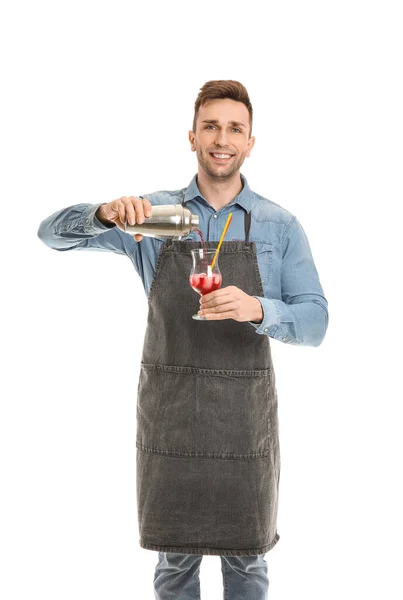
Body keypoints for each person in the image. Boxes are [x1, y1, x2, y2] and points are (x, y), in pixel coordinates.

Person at [38, 79, 329, 600]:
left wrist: (258, 307)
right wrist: (104, 213)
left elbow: (316, 322)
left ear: (250, 142)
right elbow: (50, 234)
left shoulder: (278, 225)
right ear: (191, 137)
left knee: (246, 560)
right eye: (211, 126)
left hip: (244, 420)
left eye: (234, 128)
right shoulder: (158, 215)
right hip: (172, 412)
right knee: (174, 561)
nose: (222, 138)